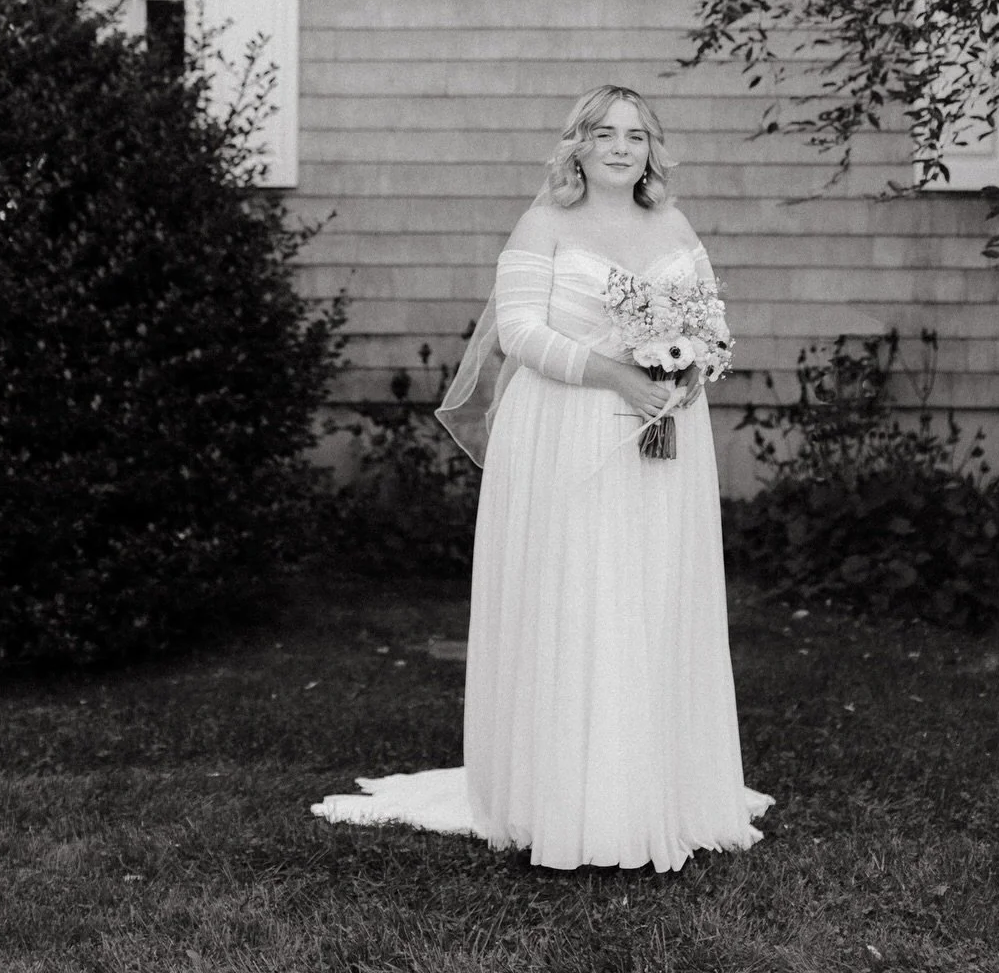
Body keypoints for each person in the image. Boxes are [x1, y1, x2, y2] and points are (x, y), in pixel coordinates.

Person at [312, 85, 770, 871]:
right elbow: (520, 332)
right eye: (604, 133)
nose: (621, 148)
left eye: (636, 135)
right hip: (567, 427)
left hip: (662, 432)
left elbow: (710, 322)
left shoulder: (673, 224)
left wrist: (690, 373)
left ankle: (657, 785)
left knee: (653, 595)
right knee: (580, 593)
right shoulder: (544, 224)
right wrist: (614, 376)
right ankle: (568, 795)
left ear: (653, 148)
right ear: (579, 146)